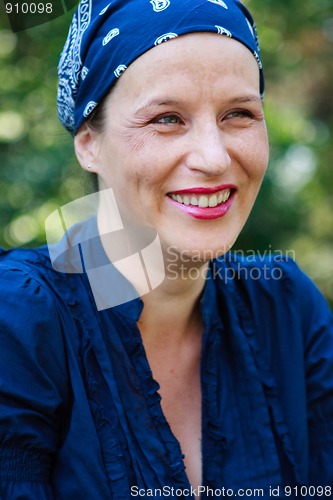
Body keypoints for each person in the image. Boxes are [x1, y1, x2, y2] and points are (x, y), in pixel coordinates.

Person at [0, 0, 332, 498]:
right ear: (89, 141)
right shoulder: (21, 320)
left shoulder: (287, 310)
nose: (214, 158)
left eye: (238, 113)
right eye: (167, 119)